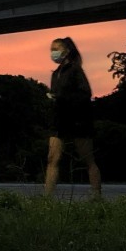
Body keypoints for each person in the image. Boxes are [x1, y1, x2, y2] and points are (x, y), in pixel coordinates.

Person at [45, 37, 102, 197]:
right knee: (52, 158)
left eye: (55, 49)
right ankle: (47, 199)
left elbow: (85, 94)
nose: (53, 53)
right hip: (59, 121)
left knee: (87, 159)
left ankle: (96, 195)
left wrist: (63, 97)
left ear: (66, 51)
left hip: (78, 121)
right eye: (51, 49)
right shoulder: (56, 74)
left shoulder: (75, 70)